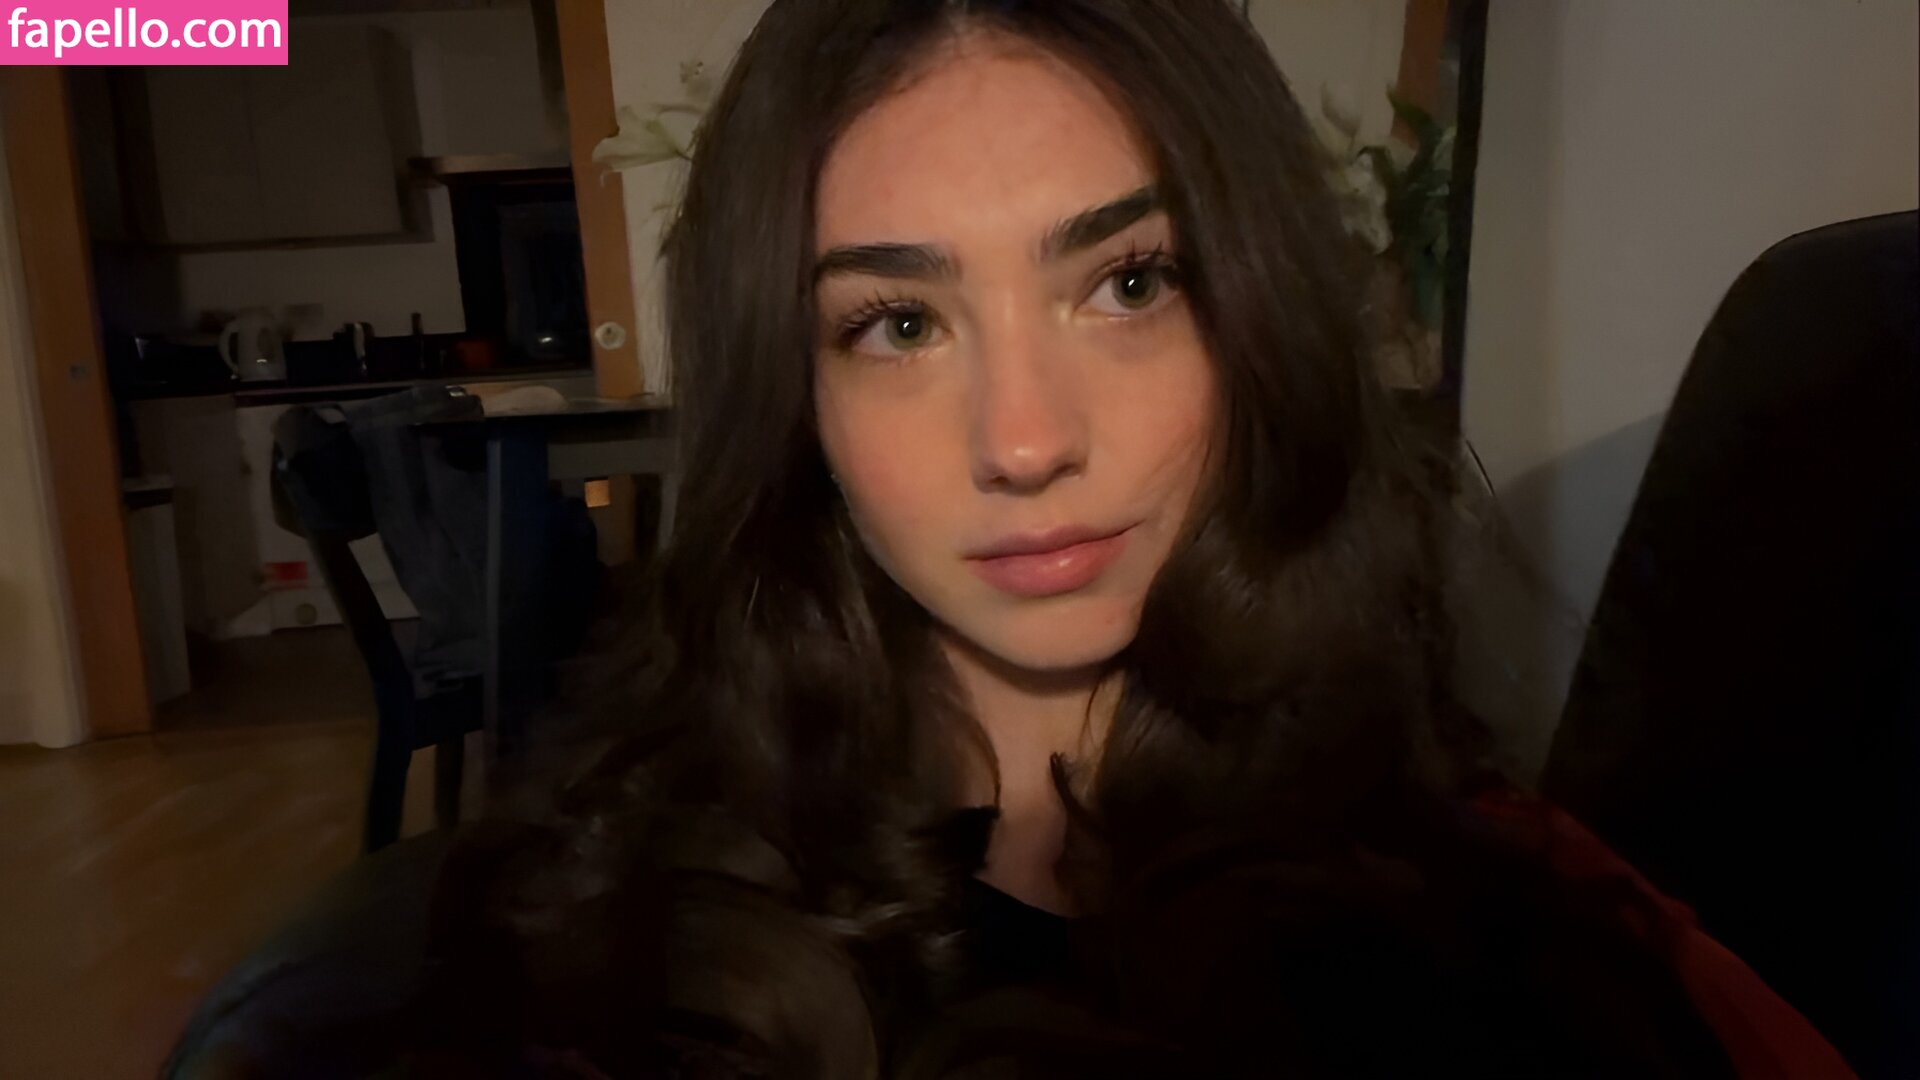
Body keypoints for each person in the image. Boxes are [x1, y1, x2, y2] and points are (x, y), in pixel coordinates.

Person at [387, 2, 1850, 1076]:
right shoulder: (601, 939)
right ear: (795, 400)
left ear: (1256, 318)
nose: (1025, 441)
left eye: (1129, 285)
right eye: (898, 325)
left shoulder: (1517, 928)